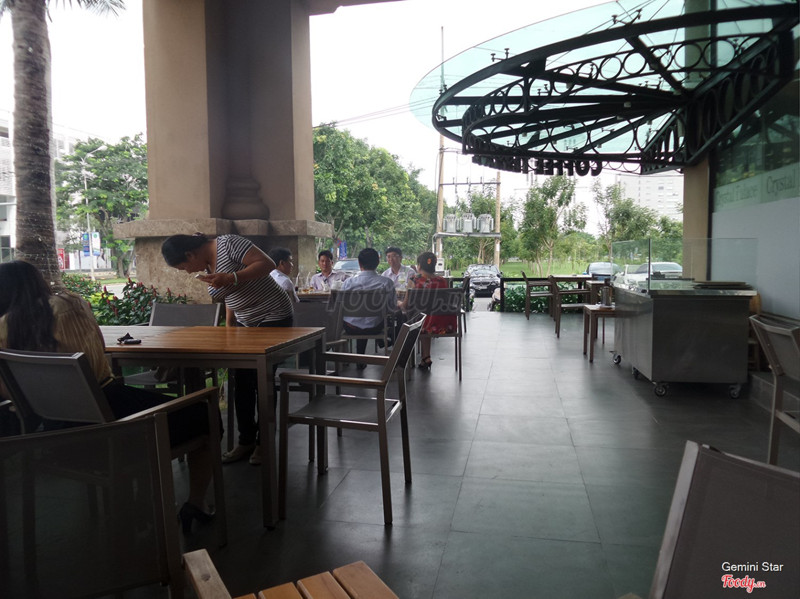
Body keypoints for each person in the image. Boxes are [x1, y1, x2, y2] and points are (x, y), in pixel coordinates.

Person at [0, 260, 215, 534]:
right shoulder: (69, 306)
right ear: (37, 282)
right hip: (113, 430)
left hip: (53, 437)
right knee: (203, 412)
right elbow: (98, 352)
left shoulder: (4, 328)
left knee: (138, 408)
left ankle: (142, 504)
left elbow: (8, 390)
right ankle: (195, 502)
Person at [161, 233, 293, 466]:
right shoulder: (208, 265)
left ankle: (264, 442)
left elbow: (267, 264)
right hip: (245, 322)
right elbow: (230, 295)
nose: (188, 272)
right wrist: (231, 325)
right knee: (241, 381)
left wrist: (231, 277)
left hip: (273, 315)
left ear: (190, 254)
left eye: (184, 267)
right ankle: (246, 440)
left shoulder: (228, 244)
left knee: (261, 379)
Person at [340, 248, 396, 368]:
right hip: (375, 327)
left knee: (358, 319)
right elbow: (391, 308)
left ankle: (358, 359)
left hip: (351, 328)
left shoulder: (348, 283)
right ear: (378, 263)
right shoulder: (386, 283)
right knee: (375, 319)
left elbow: (340, 307)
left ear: (359, 263)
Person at [406, 251, 456, 370]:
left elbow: (406, 304)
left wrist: (399, 304)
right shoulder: (442, 281)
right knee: (427, 316)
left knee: (419, 318)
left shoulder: (414, 280)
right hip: (444, 323)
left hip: (422, 323)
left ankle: (403, 360)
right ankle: (426, 357)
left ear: (419, 266)